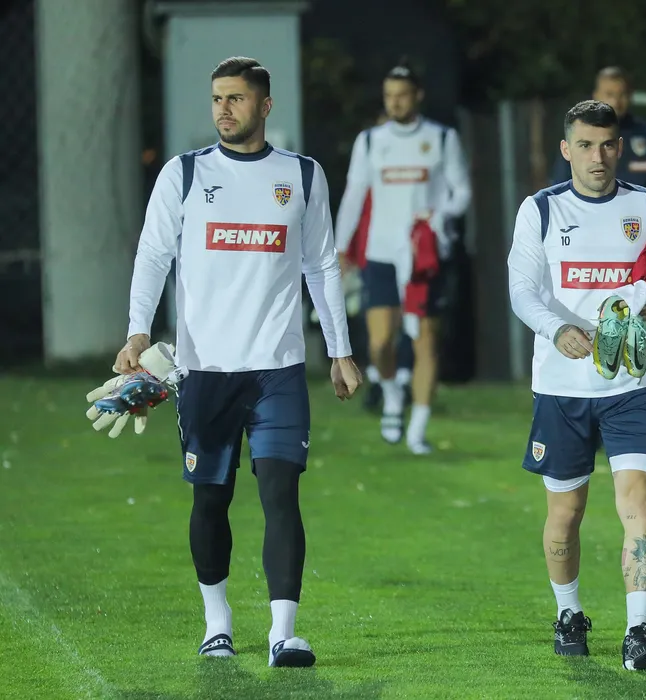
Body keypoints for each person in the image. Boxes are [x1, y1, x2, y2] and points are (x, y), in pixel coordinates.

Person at [110, 56, 362, 668]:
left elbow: (322, 266)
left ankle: (283, 635)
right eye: (217, 98)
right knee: (210, 501)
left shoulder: (301, 175)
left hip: (278, 368)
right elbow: (152, 255)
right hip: (204, 371)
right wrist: (137, 335)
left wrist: (340, 350)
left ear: (265, 105)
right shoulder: (184, 174)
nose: (223, 109)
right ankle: (217, 624)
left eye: (237, 98)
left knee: (281, 494)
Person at [507, 99, 646, 671]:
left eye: (607, 145)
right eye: (585, 145)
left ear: (620, 148)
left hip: (634, 381)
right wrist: (557, 328)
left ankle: (639, 631)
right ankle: (569, 613)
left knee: (638, 500)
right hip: (562, 386)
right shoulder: (540, 209)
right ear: (566, 149)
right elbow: (521, 290)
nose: (598, 157)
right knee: (566, 512)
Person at [334, 60, 471, 455]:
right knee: (380, 343)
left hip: (423, 256)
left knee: (425, 342)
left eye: (402, 95)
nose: (395, 102)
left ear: (417, 96)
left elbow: (462, 191)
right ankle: (392, 395)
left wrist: (439, 216)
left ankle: (418, 430)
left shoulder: (441, 138)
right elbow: (354, 195)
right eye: (389, 96)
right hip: (380, 252)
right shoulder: (370, 141)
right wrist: (341, 247)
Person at [339, 110, 416, 414]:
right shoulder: (371, 176)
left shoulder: (409, 177)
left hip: (411, 256)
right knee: (377, 328)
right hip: (373, 257)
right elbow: (357, 211)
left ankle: (403, 378)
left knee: (409, 322)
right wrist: (346, 251)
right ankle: (379, 379)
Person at [550, 66, 646, 213]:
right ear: (595, 95)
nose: (616, 102)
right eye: (609, 94)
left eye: (622, 95)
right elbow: (561, 188)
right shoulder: (579, 136)